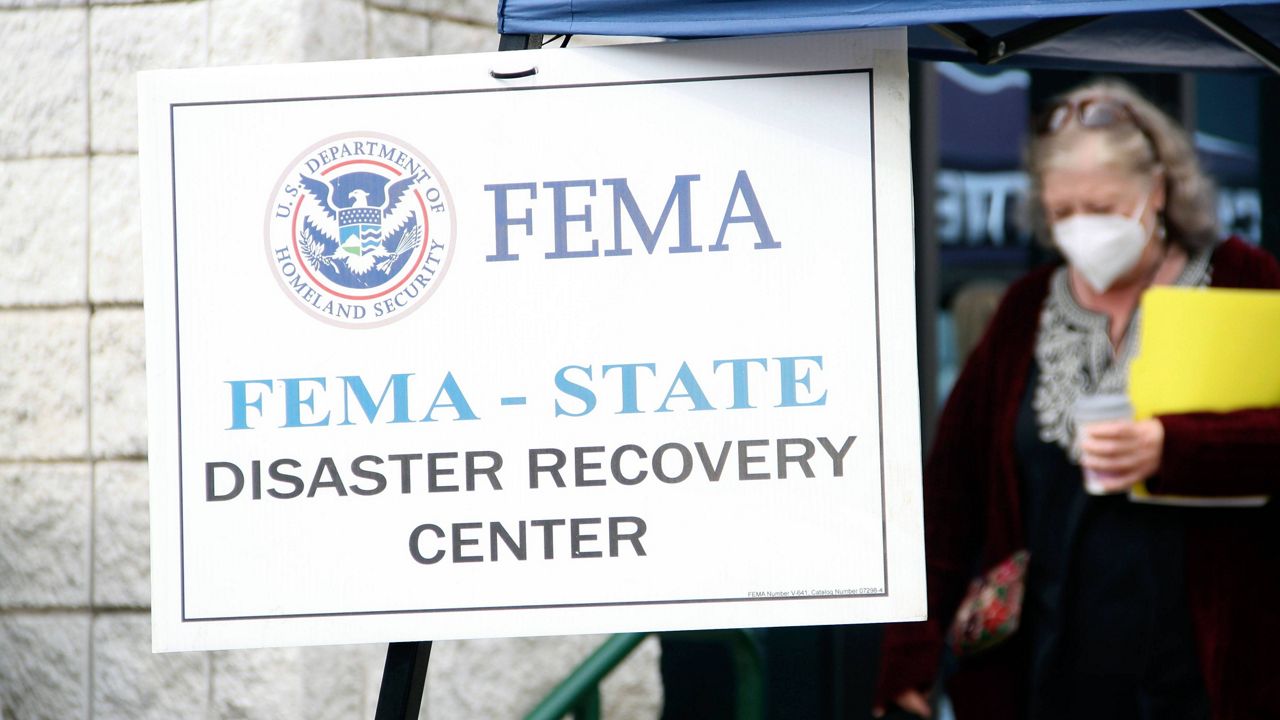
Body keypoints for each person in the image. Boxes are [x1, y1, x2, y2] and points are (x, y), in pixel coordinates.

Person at [874, 79, 1280, 720]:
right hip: (1049, 666)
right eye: (1063, 212)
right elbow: (949, 496)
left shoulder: (1245, 279)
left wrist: (1178, 447)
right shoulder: (1025, 308)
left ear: (1158, 191)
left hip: (1211, 667)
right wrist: (910, 655)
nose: (1082, 228)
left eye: (1104, 206)